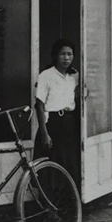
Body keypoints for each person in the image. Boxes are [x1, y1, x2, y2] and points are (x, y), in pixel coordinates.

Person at [34, 38, 80, 188]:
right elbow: (39, 106)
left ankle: (68, 205)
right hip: (53, 124)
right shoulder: (46, 75)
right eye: (62, 54)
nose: (66, 58)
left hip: (69, 124)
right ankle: (50, 207)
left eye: (70, 54)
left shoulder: (74, 76)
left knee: (69, 163)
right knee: (52, 167)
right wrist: (44, 133)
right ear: (55, 55)